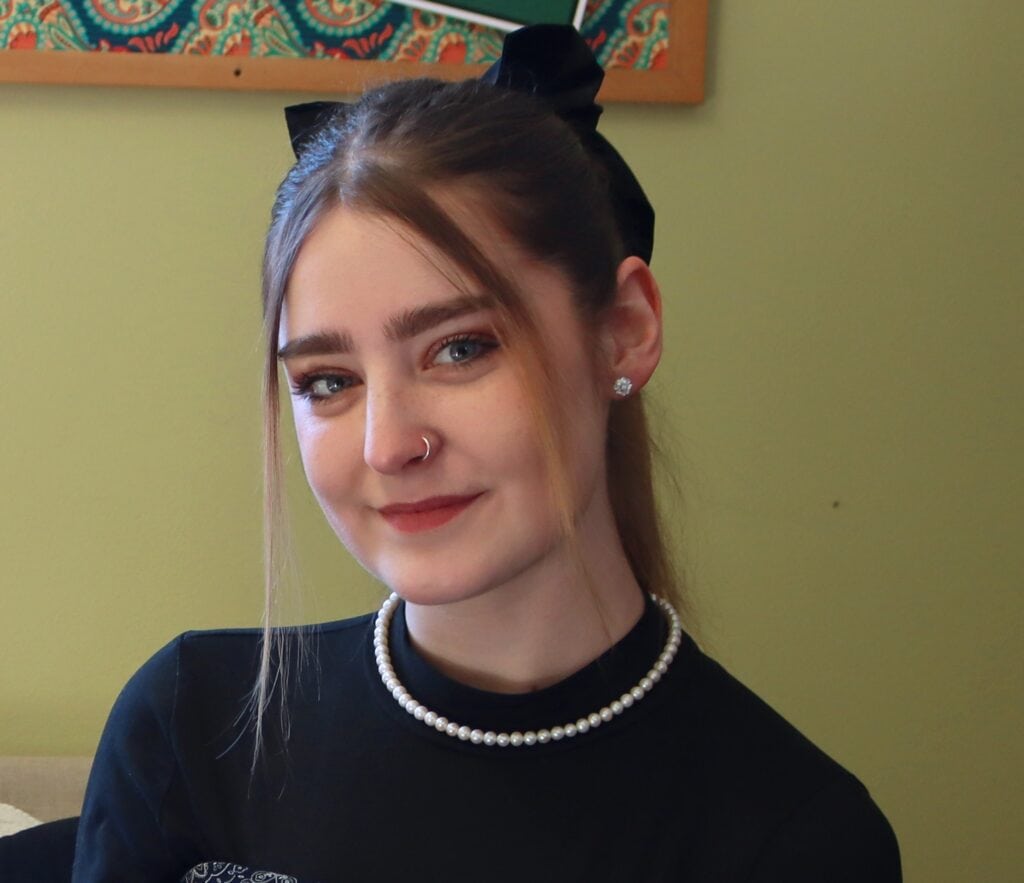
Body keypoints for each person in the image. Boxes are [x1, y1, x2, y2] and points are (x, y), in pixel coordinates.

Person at [71, 25, 900, 883]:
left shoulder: (795, 838)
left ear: (625, 331)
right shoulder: (190, 727)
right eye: (327, 380)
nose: (389, 444)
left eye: (460, 348)